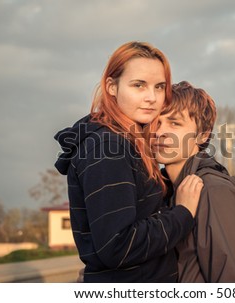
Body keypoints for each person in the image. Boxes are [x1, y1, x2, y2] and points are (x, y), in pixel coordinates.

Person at [54, 42, 203, 283]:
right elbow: (118, 245)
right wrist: (182, 213)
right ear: (112, 87)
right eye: (138, 85)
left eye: (159, 87)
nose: (152, 98)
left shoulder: (127, 143)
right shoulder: (107, 148)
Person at [153, 81, 235, 282]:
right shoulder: (166, 194)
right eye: (156, 123)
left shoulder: (213, 192)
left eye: (175, 123)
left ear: (202, 135)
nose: (160, 132)